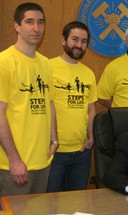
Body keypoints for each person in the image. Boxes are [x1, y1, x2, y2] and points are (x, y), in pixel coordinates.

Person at [0, 2, 58, 196]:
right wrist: (14, 160)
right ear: (17, 26)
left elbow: (49, 103)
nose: (36, 28)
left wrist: (54, 139)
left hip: (42, 162)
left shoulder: (45, 63)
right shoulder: (4, 62)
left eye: (40, 22)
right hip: (14, 166)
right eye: (29, 22)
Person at [46, 21, 98, 192]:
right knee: (49, 203)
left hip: (81, 153)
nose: (79, 45)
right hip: (53, 152)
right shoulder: (47, 68)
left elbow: (91, 109)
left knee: (76, 203)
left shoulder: (88, 73)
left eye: (84, 41)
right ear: (63, 40)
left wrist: (91, 137)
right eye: (75, 39)